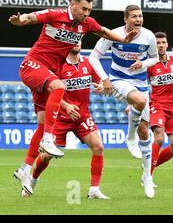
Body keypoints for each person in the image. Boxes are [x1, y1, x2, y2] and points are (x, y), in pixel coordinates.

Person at [11, 0, 137, 196]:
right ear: (73, 4)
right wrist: (21, 20)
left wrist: (123, 40)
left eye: (89, 9)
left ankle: (25, 170)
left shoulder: (86, 24)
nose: (87, 13)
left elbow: (104, 31)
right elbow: (33, 16)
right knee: (59, 86)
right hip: (32, 65)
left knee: (42, 122)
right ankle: (49, 140)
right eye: (84, 8)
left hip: (48, 75)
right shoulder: (55, 14)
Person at [22, 41, 109, 199]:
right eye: (73, 40)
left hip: (82, 116)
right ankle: (33, 179)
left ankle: (94, 189)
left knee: (98, 147)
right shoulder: (58, 65)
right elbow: (49, 92)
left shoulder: (89, 63)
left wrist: (101, 87)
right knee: (47, 155)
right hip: (60, 117)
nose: (76, 43)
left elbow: (99, 82)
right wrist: (66, 106)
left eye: (79, 40)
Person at [89, 5, 158, 161]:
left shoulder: (149, 36)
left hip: (141, 83)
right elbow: (93, 57)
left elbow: (155, 58)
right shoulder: (114, 34)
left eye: (140, 16)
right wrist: (105, 79)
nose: (138, 19)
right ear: (125, 19)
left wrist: (143, 64)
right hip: (118, 79)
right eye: (134, 16)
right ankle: (130, 137)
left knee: (144, 129)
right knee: (140, 101)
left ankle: (147, 176)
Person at [142, 31, 173, 198]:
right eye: (157, 43)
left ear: (167, 44)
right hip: (158, 105)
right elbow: (141, 84)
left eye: (163, 42)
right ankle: (148, 176)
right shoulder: (149, 64)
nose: (161, 45)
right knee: (159, 138)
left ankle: (148, 168)